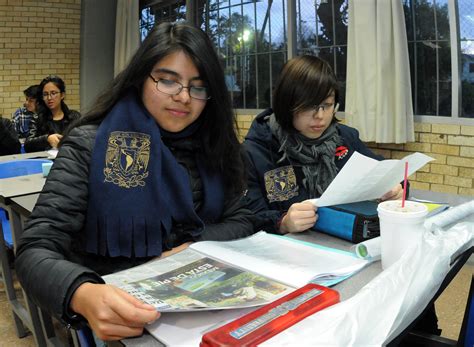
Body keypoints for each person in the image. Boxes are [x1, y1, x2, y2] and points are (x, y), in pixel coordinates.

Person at [15, 22, 255, 341]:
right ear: (141, 78)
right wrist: (81, 293)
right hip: (126, 319)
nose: (184, 97)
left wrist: (188, 249)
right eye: (168, 81)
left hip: (211, 307)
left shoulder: (215, 146)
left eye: (198, 86)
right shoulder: (90, 144)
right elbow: (35, 249)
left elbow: (244, 217)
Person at [243, 55, 403, 234]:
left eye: (327, 105)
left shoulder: (345, 138)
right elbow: (247, 217)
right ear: (286, 104)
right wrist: (282, 222)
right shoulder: (256, 151)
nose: (320, 116)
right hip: (287, 253)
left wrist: (396, 189)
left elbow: (388, 174)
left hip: (344, 242)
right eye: (308, 106)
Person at [24, 76, 81, 152]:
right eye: (45, 94)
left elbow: (84, 140)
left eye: (53, 93)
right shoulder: (37, 118)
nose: (49, 98)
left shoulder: (74, 117)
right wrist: (47, 139)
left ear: (62, 95)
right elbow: (27, 145)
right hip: (46, 162)